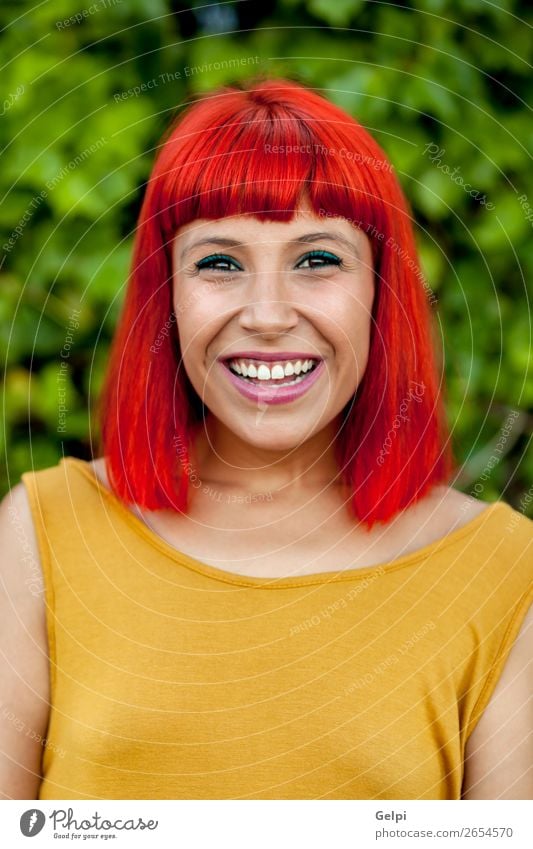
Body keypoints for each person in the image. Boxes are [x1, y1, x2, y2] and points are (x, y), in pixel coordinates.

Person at [1, 77, 531, 801]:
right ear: (168, 293)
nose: (268, 314)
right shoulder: (41, 532)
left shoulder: (504, 572)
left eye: (317, 260)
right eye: (218, 262)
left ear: (381, 291)